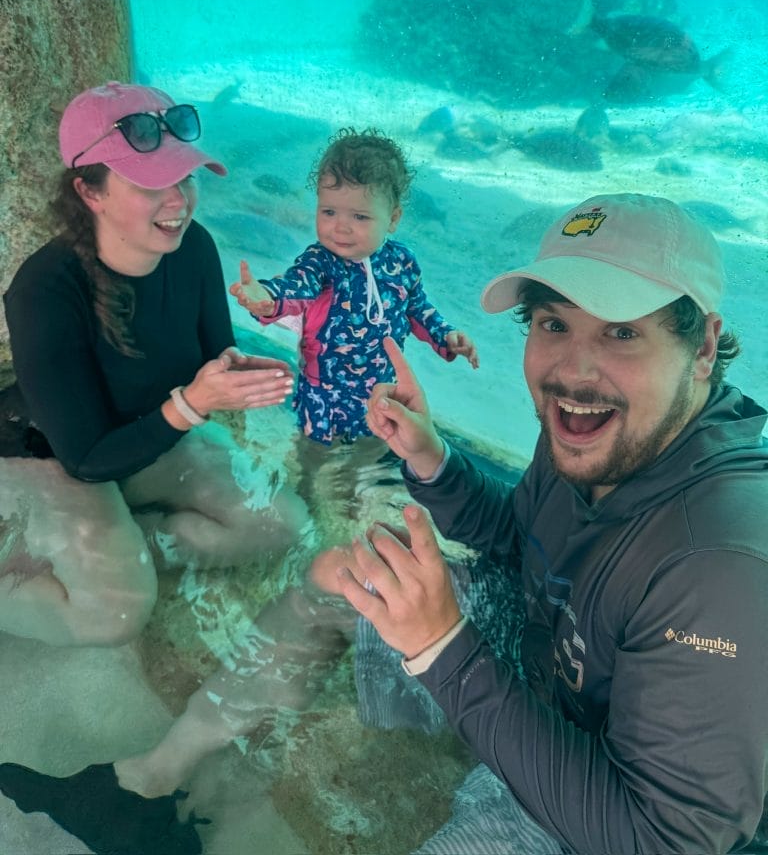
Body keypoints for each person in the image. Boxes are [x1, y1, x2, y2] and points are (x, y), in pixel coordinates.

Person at [316, 193, 768, 854]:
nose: (572, 373)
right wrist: (434, 459)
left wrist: (445, 651)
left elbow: (661, 840)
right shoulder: (598, 431)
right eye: (553, 324)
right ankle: (169, 770)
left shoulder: (720, 564)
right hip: (552, 679)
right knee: (344, 585)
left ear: (701, 346)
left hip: (609, 796)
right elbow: (525, 542)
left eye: (621, 332)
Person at [0, 81, 312, 855]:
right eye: (148, 184)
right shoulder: (44, 289)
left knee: (282, 522)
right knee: (111, 613)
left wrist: (240, 372)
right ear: (90, 191)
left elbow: (207, 358)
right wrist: (195, 404)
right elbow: (84, 454)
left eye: (183, 177)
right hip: (52, 456)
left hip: (147, 436)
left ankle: (126, 545)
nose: (177, 200)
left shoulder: (195, 249)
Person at [229, 126, 479, 449]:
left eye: (360, 216)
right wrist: (266, 298)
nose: (341, 226)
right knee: (312, 454)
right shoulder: (321, 261)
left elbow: (417, 309)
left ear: (392, 219)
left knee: (371, 451)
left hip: (381, 389)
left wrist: (447, 336)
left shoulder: (402, 262)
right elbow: (296, 286)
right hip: (324, 392)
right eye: (329, 211)